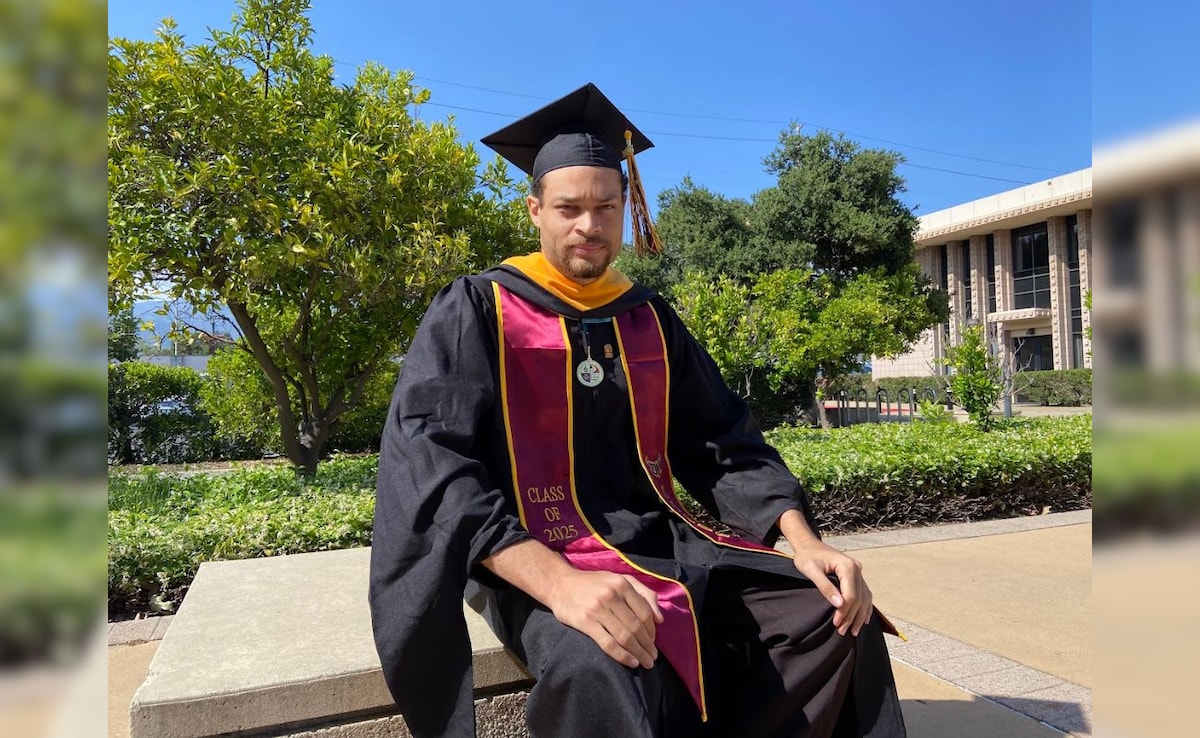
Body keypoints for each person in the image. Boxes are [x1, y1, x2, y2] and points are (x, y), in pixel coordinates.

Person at [369, 83, 906, 738]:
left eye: (605, 206)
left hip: (661, 543)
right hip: (528, 554)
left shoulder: (647, 317)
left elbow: (723, 441)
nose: (589, 226)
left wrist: (804, 543)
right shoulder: (478, 311)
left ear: (627, 208)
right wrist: (561, 585)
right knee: (599, 660)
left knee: (835, 611)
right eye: (568, 208)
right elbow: (431, 467)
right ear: (535, 209)